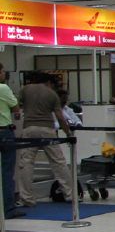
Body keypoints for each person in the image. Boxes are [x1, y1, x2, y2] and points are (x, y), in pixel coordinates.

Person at [16, 71, 74, 209]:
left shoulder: (25, 90)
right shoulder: (51, 93)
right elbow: (60, 117)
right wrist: (68, 133)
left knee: (26, 163)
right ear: (48, 83)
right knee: (58, 162)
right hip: (47, 129)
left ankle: (27, 198)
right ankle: (70, 195)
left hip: (29, 128)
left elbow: (18, 108)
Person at [0, 63, 21, 219]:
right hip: (4, 132)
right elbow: (15, 107)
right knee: (7, 171)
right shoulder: (3, 88)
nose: (4, 74)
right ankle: (8, 208)